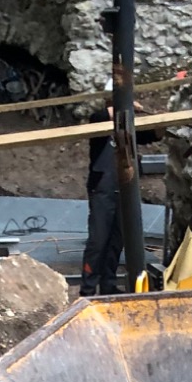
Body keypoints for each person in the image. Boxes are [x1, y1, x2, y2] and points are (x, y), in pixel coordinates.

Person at [79, 113, 121, 297]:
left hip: (123, 187)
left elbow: (152, 134)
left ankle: (108, 285)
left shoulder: (128, 125)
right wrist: (126, 106)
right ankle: (87, 289)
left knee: (116, 240)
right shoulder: (99, 120)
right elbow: (100, 117)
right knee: (98, 240)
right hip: (102, 188)